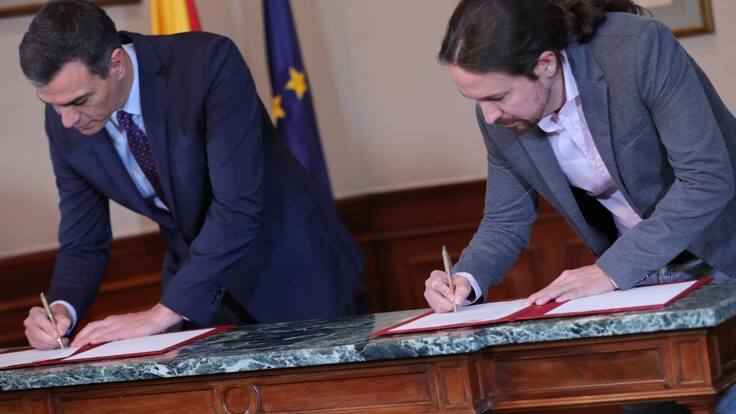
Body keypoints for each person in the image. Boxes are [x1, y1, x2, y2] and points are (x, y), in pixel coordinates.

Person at [423, 1, 735, 412]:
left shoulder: (638, 49)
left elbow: (707, 179)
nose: (489, 115)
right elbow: (504, 219)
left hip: (723, 249)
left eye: (498, 97)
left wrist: (609, 270)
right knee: (644, 404)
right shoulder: (499, 117)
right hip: (639, 280)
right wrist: (466, 278)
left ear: (545, 64)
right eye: (474, 99)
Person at [19, 0, 367, 350]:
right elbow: (84, 242)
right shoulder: (64, 121)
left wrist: (162, 313)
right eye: (52, 105)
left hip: (293, 273)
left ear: (117, 64)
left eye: (79, 101)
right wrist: (61, 309)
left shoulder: (207, 64)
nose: (67, 120)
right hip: (200, 300)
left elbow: (238, 206)